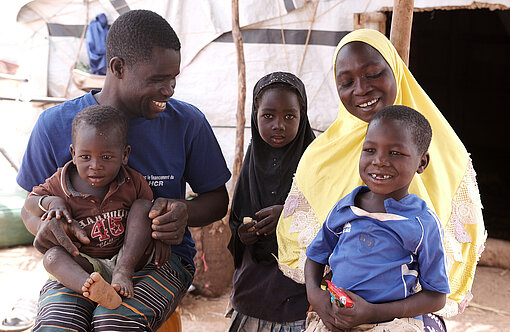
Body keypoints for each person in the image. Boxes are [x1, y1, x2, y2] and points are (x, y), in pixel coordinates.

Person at [16, 9, 231, 331]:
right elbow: (30, 207)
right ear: (118, 67)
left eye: (173, 78)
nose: (169, 89)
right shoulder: (56, 125)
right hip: (79, 261)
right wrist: (43, 226)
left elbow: (217, 200)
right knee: (57, 326)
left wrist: (182, 211)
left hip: (157, 260)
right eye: (157, 79)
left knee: (114, 322)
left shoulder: (187, 123)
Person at [276, 29, 486, 331]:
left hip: (403, 316)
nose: (361, 89)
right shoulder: (320, 157)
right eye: (346, 82)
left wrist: (375, 312)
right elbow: (317, 250)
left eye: (373, 74)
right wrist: (321, 300)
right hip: (338, 312)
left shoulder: (444, 152)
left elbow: (438, 285)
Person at [305, 105, 450, 332]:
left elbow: (436, 297)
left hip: (391, 323)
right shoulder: (346, 207)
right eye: (370, 150)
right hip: (336, 318)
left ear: (421, 162)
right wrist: (316, 296)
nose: (379, 161)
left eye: (395, 153)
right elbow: (315, 256)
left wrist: (373, 312)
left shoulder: (422, 223)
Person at [24, 105, 170, 308]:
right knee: (52, 258)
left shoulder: (132, 181)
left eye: (106, 157)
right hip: (84, 261)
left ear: (125, 155)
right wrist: (52, 202)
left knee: (143, 206)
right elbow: (30, 202)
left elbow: (151, 216)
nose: (95, 165)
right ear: (73, 154)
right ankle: (91, 288)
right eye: (85, 157)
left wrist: (161, 239)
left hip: (128, 257)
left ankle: (122, 273)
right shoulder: (59, 182)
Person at [227, 72, 315, 331]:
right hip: (254, 280)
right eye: (268, 116)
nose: (279, 125)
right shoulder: (252, 159)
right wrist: (243, 234)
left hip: (302, 281)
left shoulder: (315, 161)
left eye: (289, 116)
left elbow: (329, 216)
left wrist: (289, 215)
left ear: (303, 116)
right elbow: (237, 218)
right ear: (255, 116)